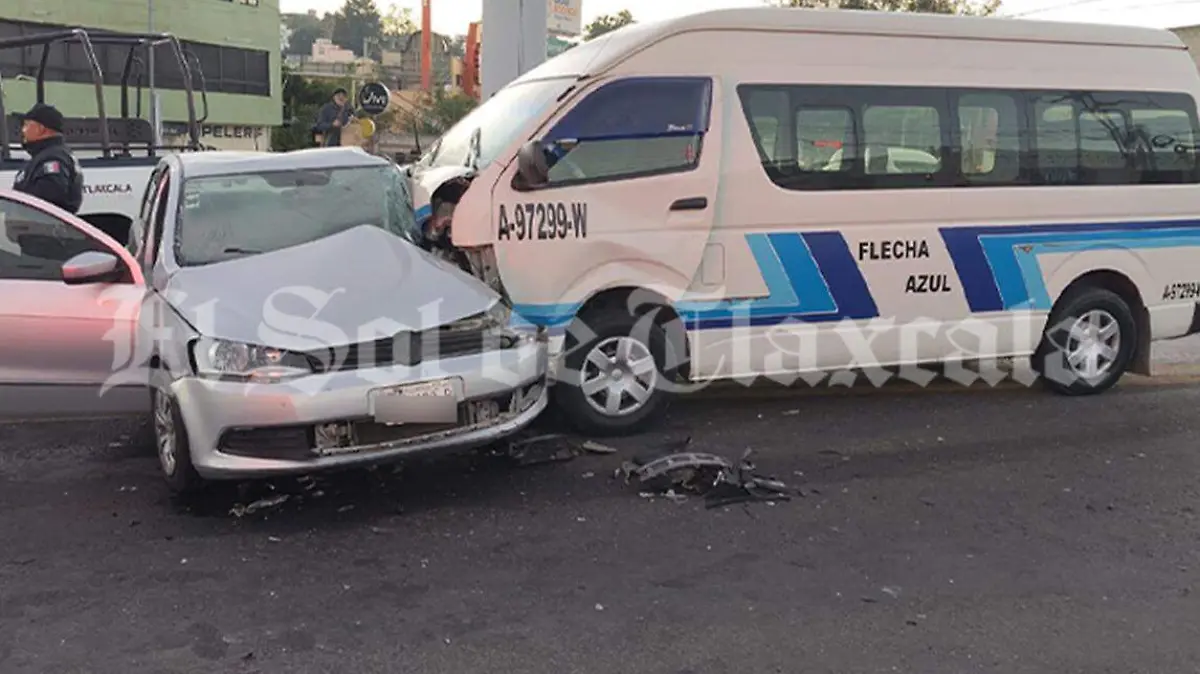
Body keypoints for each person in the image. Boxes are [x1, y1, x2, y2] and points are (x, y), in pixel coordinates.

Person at [12, 103, 83, 214]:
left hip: (41, 228)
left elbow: (48, 200)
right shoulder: (46, 155)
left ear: (41, 129)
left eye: (26, 125)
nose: (23, 130)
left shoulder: (53, 158)